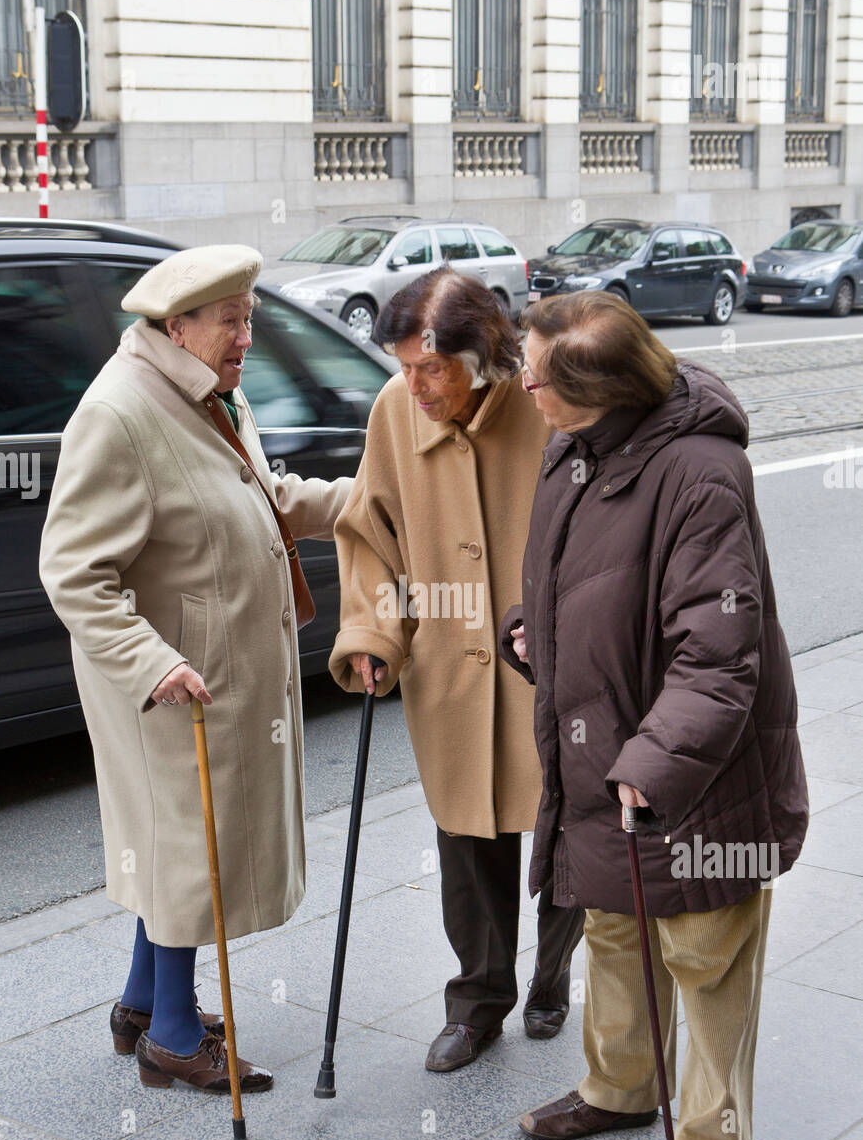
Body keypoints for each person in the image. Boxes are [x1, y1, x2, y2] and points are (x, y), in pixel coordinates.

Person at [499, 291, 808, 1140]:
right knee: (615, 926)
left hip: (692, 773)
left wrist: (651, 761)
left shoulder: (703, 473)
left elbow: (720, 656)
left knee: (705, 950)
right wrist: (533, 631)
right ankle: (621, 1088)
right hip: (604, 746)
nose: (523, 383)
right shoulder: (573, 448)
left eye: (538, 373)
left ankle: (713, 1139)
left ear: (595, 387)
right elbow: (565, 579)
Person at [39, 245, 352, 1094]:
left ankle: (144, 1002)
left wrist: (357, 501)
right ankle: (174, 1039)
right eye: (231, 320)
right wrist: (154, 662)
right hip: (171, 680)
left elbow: (262, 493)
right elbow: (73, 571)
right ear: (177, 326)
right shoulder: (120, 413)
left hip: (210, 672)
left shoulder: (208, 391)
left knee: (176, 844)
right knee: (188, 849)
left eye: (250, 317)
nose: (246, 335)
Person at [328, 268, 584, 1073]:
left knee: (567, 832)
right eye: (403, 367)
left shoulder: (549, 404)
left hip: (550, 666)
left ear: (484, 355)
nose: (414, 386)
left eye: (430, 368)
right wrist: (373, 631)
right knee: (466, 840)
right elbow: (371, 532)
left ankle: (551, 977)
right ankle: (477, 1001)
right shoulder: (393, 413)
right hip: (451, 668)